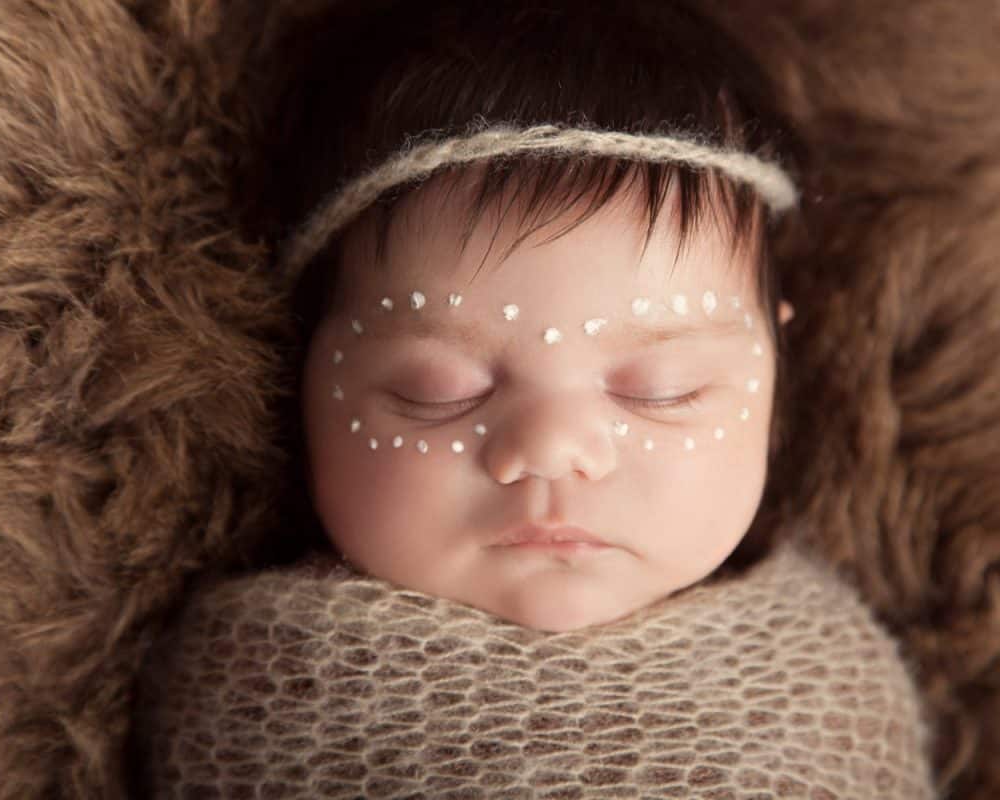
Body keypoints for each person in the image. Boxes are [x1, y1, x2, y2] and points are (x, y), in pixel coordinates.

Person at [259, 0, 803, 633]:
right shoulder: (234, 680)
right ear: (297, 371)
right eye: (436, 390)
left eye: (664, 389)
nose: (550, 448)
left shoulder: (834, 694)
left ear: (776, 377)